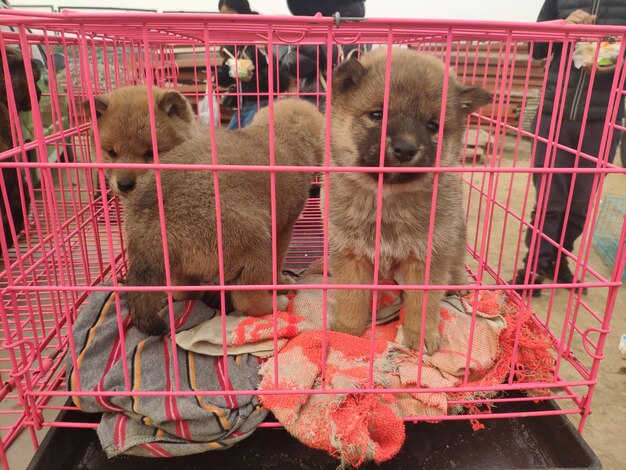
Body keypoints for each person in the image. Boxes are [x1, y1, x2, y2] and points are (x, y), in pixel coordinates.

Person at [513, 0, 625, 296]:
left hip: (603, 119)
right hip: (554, 112)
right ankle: (534, 268)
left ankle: (557, 259)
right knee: (551, 199)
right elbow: (536, 47)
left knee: (581, 203)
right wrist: (562, 29)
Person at [280, 0, 367, 108]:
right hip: (350, 106)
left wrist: (307, 33)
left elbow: (291, 65)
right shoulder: (362, 31)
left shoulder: (321, 32)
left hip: (319, 105)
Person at [216, 0, 287, 129]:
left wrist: (252, 77)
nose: (227, 22)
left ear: (243, 13)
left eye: (231, 16)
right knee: (228, 138)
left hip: (264, 104)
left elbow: (281, 81)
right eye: (223, 17)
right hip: (242, 105)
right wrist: (218, 76)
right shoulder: (232, 45)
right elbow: (225, 76)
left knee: (244, 141)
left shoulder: (263, 37)